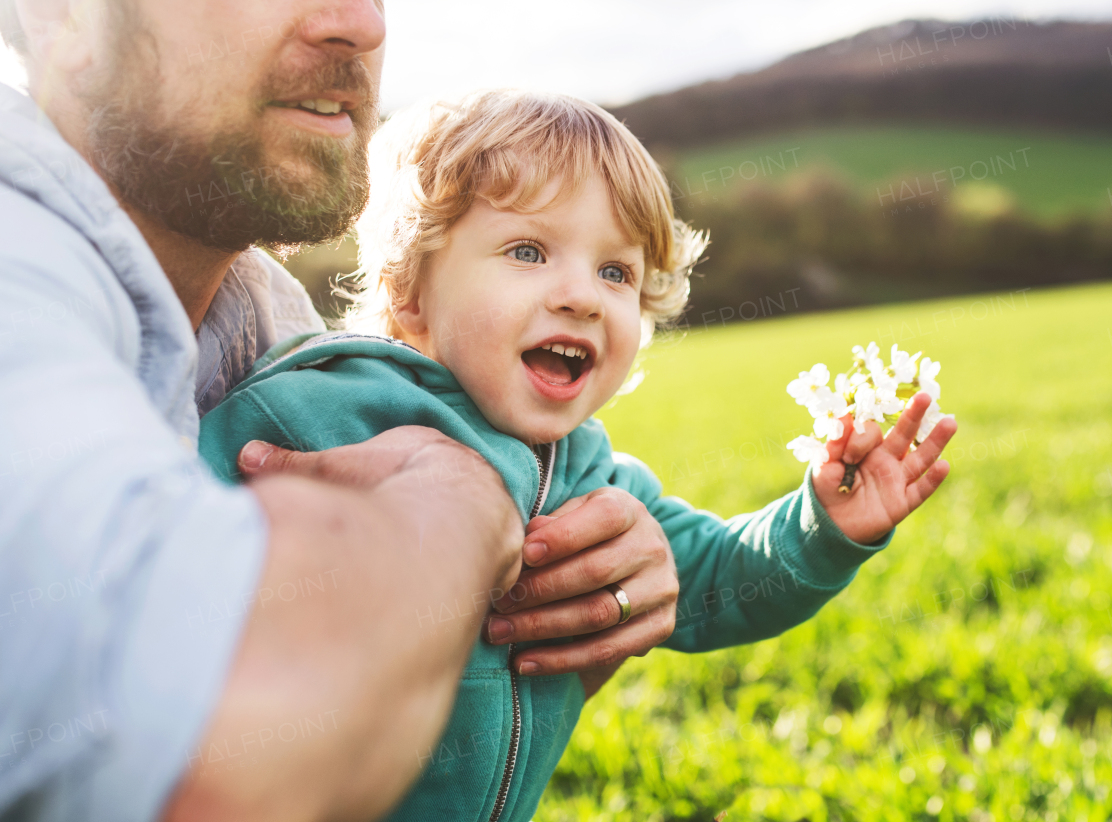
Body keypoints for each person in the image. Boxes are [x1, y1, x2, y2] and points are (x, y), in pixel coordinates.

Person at [197, 90, 957, 822]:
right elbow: (164, 536)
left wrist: (824, 525)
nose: (582, 297)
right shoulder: (325, 406)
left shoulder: (593, 482)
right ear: (411, 294)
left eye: (615, 271)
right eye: (528, 251)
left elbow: (723, 581)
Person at [0, 3, 681, 820]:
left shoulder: (270, 322)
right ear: (59, 13)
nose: (360, 22)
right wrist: (457, 505)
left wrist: (573, 602)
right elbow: (214, 756)